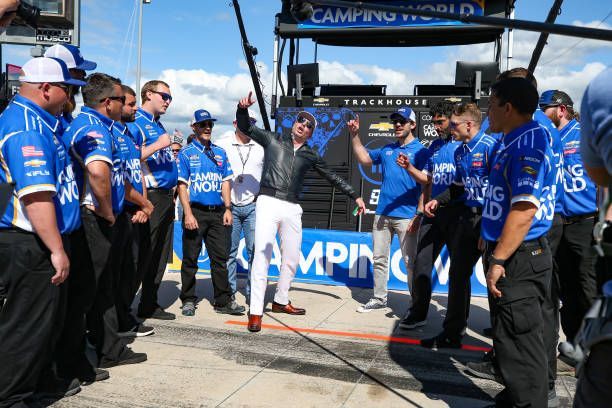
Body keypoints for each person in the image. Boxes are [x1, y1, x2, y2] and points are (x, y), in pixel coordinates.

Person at [237, 92, 366, 332]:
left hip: (293, 207)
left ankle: (280, 301)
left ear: (310, 133)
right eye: (300, 121)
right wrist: (242, 109)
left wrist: (355, 195)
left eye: (308, 125)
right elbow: (245, 127)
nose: (303, 126)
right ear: (294, 124)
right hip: (268, 200)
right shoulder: (273, 139)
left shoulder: (310, 154)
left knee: (292, 258)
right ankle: (255, 312)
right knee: (262, 258)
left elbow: (333, 177)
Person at [0, 57, 83, 406]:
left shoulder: (41, 121)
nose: (69, 96)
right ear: (46, 88)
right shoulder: (28, 127)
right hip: (30, 241)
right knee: (25, 329)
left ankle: (32, 386)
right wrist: (56, 249)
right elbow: (35, 195)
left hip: (34, 240)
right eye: (66, 88)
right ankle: (11, 399)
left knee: (38, 326)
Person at [61, 73, 147, 370]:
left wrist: (139, 202)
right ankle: (72, 359)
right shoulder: (92, 128)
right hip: (94, 217)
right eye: (123, 100)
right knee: (87, 292)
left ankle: (109, 349)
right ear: (108, 102)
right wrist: (108, 212)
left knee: (104, 288)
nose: (126, 105)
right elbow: (99, 175)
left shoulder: (102, 126)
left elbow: (118, 178)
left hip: (104, 215)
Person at [480, 77, 556, 407]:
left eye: (491, 104)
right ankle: (513, 399)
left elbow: (524, 209)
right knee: (510, 343)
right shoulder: (513, 139)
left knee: (522, 350)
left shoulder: (528, 142)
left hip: (518, 259)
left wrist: (498, 259)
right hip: (514, 251)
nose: (487, 112)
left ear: (507, 107)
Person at [421, 103, 499, 348]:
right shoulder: (460, 151)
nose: (449, 129)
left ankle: (501, 340)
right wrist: (437, 199)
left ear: (469, 124)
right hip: (467, 218)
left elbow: (501, 192)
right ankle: (452, 333)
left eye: (453, 125)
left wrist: (488, 227)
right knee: (457, 275)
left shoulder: (491, 148)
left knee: (494, 280)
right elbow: (458, 187)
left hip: (490, 220)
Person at [347, 107, 429, 313]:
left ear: (413, 124)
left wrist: (419, 213)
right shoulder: (387, 149)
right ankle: (379, 298)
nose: (398, 125)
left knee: (410, 262)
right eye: (395, 122)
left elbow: (427, 183)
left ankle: (416, 305)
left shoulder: (422, 151)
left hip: (407, 216)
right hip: (382, 213)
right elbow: (364, 159)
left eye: (403, 121)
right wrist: (355, 135)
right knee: (379, 259)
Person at [540, 89, 599, 344]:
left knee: (589, 289)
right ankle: (574, 347)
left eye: (545, 108)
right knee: (566, 290)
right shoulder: (548, 137)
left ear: (561, 109)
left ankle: (597, 351)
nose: (541, 113)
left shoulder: (585, 134)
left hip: (585, 222)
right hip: (558, 224)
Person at [177, 109, 246, 317]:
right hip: (195, 212)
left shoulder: (220, 152)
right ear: (194, 127)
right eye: (203, 124)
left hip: (217, 213)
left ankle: (223, 301)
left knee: (220, 259)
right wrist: (188, 213)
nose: (207, 128)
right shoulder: (186, 153)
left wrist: (227, 208)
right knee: (190, 259)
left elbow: (226, 181)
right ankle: (188, 299)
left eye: (210, 124)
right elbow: (182, 186)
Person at [399, 101, 461, 329]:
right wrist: (409, 168)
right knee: (421, 263)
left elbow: (463, 185)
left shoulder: (464, 145)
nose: (436, 127)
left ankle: (456, 324)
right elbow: (427, 180)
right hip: (433, 215)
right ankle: (418, 313)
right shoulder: (434, 146)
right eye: (433, 122)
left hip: (457, 214)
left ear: (452, 119)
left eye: (440, 122)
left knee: (458, 272)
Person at [573, 66, 612, 408]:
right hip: (568, 222)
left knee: (584, 286)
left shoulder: (602, 86)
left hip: (585, 220)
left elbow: (598, 173)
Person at [127, 80, 178, 321]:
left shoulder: (158, 124)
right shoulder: (137, 123)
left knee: (159, 256)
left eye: (170, 98)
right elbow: (130, 157)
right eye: (164, 96)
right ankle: (123, 308)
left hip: (168, 197)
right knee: (142, 256)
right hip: (152, 197)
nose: (168, 101)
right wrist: (158, 145)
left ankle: (149, 302)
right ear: (149, 94)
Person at [113, 85, 155, 337]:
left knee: (135, 267)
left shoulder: (128, 134)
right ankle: (116, 322)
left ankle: (123, 315)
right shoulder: (111, 134)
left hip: (138, 209)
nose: (134, 107)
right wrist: (140, 204)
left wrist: (144, 205)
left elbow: (137, 172)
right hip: (123, 210)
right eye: (130, 104)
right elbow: (115, 178)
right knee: (120, 272)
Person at [216, 110, 264, 301]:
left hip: (253, 206)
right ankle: (231, 293)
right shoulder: (222, 144)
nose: (247, 124)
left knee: (255, 252)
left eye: (251, 121)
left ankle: (254, 294)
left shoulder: (261, 146)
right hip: (230, 207)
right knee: (229, 252)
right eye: (245, 121)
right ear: (235, 122)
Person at [44, 43, 97, 135]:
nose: (84, 74)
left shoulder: (63, 111)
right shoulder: (47, 112)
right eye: (78, 70)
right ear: (62, 70)